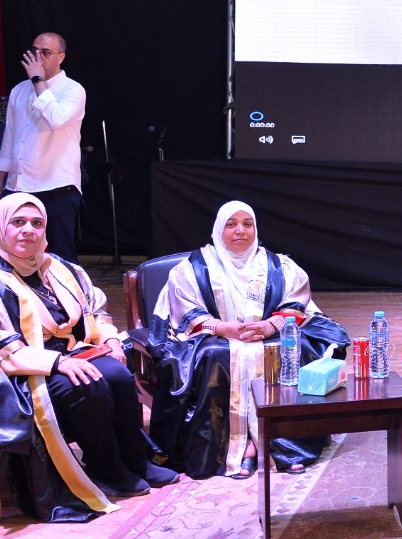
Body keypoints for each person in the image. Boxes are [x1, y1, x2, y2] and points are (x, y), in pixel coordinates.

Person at [0, 192, 177, 522]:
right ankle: (107, 468)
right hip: (16, 372)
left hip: (69, 355)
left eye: (36, 223)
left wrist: (109, 337)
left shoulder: (60, 269)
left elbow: (95, 310)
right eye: (18, 222)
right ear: (0, 227)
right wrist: (59, 363)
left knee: (118, 374)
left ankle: (135, 460)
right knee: (85, 384)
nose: (28, 230)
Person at [146, 201, 345, 479]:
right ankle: (232, 448)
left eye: (247, 224)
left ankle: (280, 444)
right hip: (213, 337)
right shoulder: (192, 267)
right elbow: (185, 309)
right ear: (219, 229)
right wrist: (221, 327)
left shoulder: (279, 265)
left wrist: (270, 325)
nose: (240, 230)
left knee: (289, 349)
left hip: (268, 334)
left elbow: (296, 303)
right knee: (216, 355)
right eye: (231, 224)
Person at [0, 32, 86, 265]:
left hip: (56, 185)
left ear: (61, 57)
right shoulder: (19, 90)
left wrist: (39, 81)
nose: (38, 57)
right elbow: (10, 137)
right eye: (35, 51)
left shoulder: (73, 89)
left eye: (46, 53)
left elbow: (57, 119)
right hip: (19, 184)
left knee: (61, 255)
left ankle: (68, 289)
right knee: (9, 250)